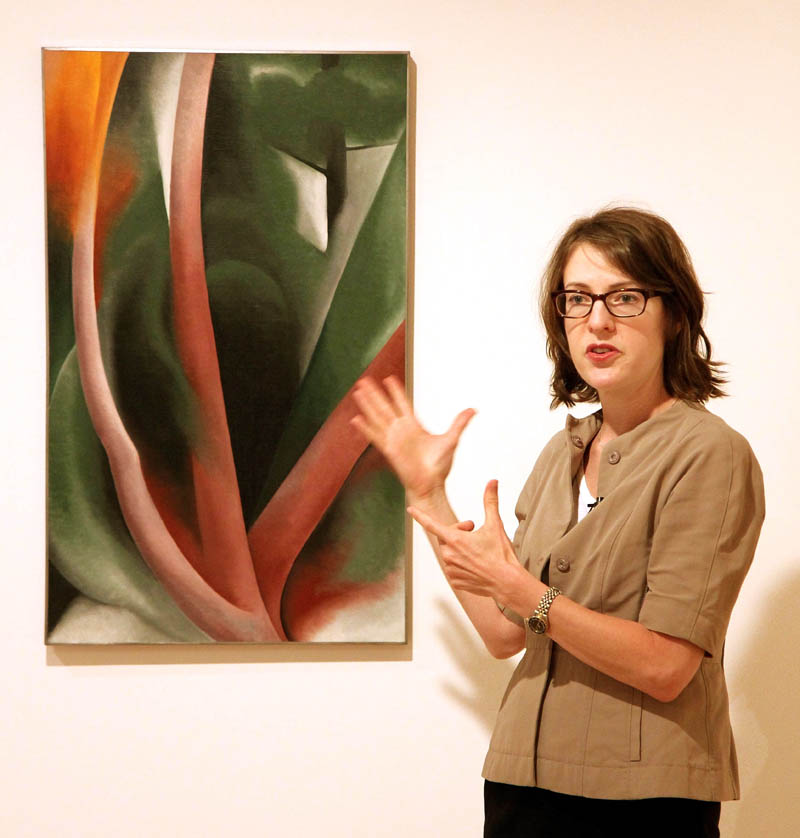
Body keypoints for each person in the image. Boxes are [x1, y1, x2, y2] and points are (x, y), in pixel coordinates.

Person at [351, 207, 764, 838]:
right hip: (522, 786)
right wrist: (428, 491)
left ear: (675, 313)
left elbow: (667, 666)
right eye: (577, 299)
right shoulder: (561, 453)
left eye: (624, 297)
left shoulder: (710, 454)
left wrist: (529, 595)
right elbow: (501, 632)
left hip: (644, 799)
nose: (597, 320)